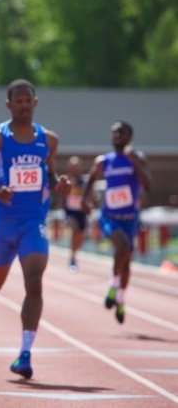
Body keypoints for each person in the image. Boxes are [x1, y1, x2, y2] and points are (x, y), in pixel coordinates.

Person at [0, 79, 70, 379]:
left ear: (35, 103)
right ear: (9, 104)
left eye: (29, 101)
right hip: (4, 223)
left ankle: (25, 353)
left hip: (33, 222)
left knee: (35, 281)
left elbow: (50, 176)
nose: (24, 106)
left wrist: (59, 185)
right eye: (19, 101)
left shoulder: (48, 140)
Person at [81, 121, 151, 324]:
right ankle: (113, 285)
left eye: (121, 132)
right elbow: (91, 179)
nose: (117, 136)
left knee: (126, 262)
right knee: (122, 246)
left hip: (130, 218)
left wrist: (135, 161)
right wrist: (85, 201)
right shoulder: (104, 161)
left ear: (130, 136)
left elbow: (147, 185)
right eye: (114, 133)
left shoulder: (138, 159)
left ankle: (120, 298)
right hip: (109, 216)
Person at [62, 156, 89, 272]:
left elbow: (89, 195)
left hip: (81, 213)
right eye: (72, 166)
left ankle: (73, 254)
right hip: (70, 212)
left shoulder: (84, 181)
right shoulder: (66, 180)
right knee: (74, 229)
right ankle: (72, 257)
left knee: (80, 235)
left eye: (76, 166)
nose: (74, 169)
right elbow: (61, 196)